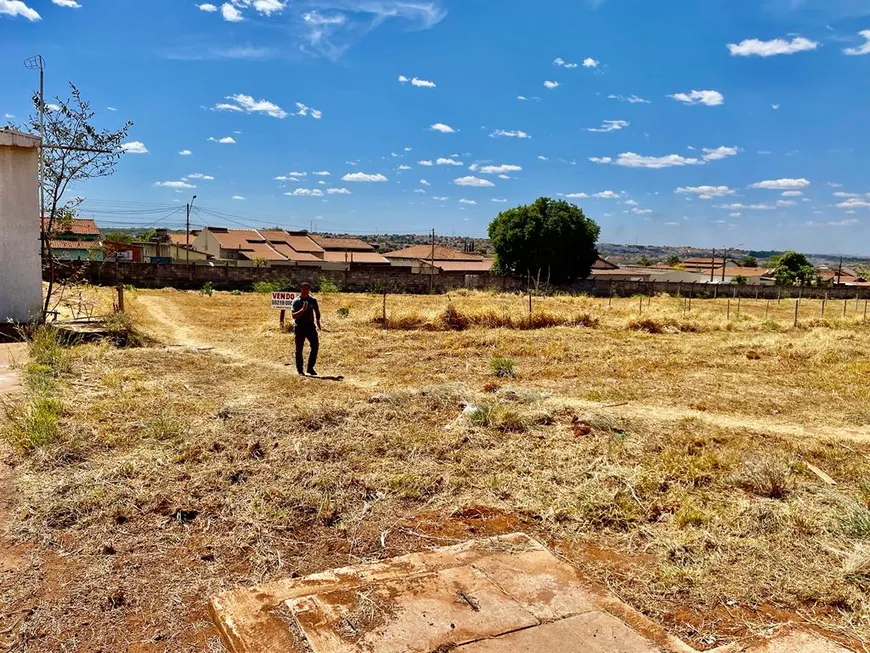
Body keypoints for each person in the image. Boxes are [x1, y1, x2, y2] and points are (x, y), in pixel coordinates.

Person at [291, 282, 321, 375]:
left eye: (307, 289)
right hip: (299, 327)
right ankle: (300, 370)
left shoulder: (313, 300)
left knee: (315, 346)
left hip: (310, 326)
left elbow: (317, 311)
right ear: (301, 289)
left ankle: (310, 368)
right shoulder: (296, 301)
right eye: (304, 289)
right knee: (299, 349)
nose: (305, 291)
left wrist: (318, 321)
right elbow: (294, 316)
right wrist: (302, 310)